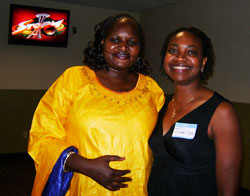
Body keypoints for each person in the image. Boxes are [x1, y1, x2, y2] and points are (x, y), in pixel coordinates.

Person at [28, 14, 165, 196]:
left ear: (140, 48)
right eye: (115, 40)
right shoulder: (74, 79)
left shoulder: (152, 90)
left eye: (132, 42)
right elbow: (41, 136)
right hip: (82, 186)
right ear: (102, 42)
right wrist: (85, 165)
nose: (123, 47)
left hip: (136, 188)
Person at [148, 27, 242, 196]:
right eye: (173, 51)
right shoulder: (161, 103)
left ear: (203, 62)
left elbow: (228, 189)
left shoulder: (221, 112)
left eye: (191, 52)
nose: (180, 57)